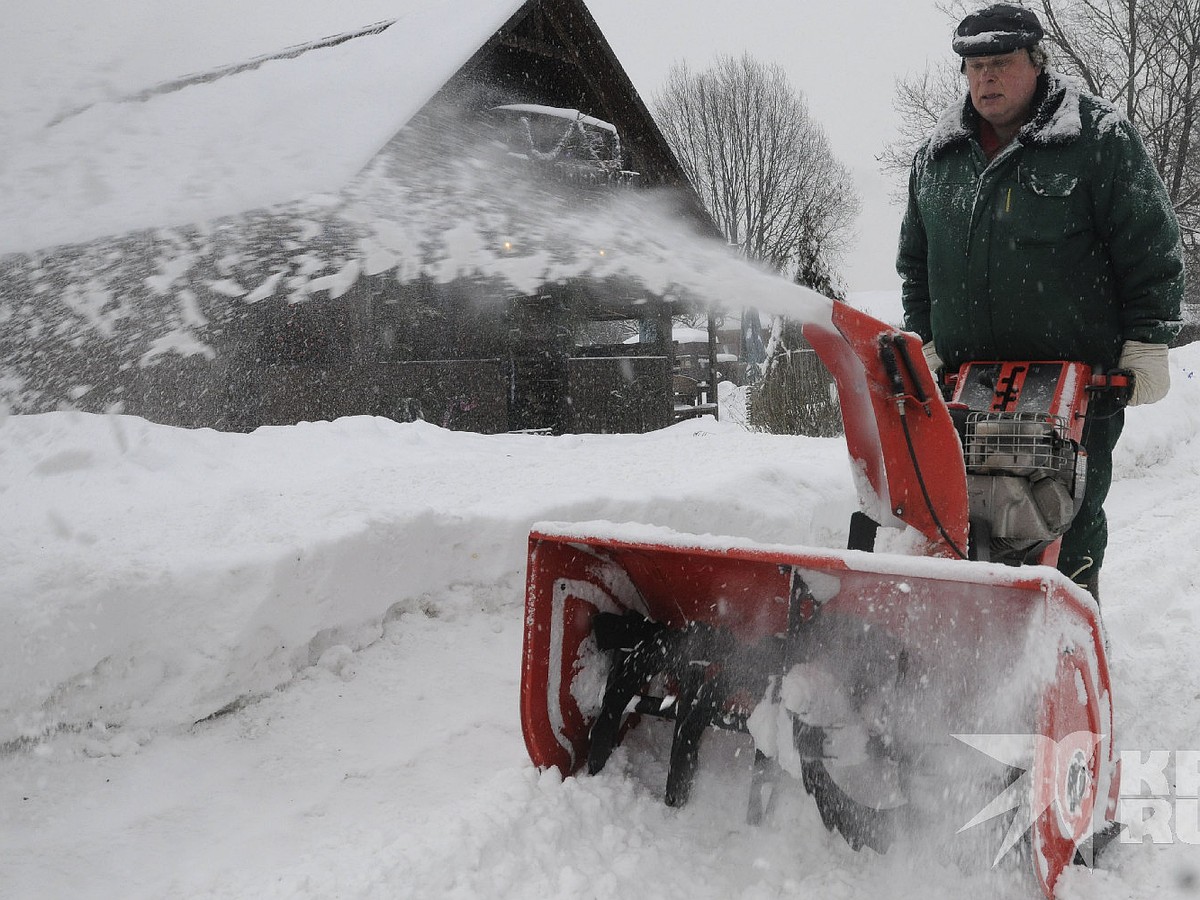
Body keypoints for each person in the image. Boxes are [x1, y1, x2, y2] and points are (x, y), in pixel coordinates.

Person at [897, 3, 1184, 599]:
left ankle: (1068, 648)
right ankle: (969, 649)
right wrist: (924, 336)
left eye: (1000, 62)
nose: (986, 78)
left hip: (1077, 383)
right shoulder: (937, 158)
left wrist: (1147, 340)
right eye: (975, 66)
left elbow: (1149, 243)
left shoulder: (1097, 139)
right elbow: (917, 264)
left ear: (1037, 60)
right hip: (967, 383)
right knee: (964, 523)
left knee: (1065, 520)